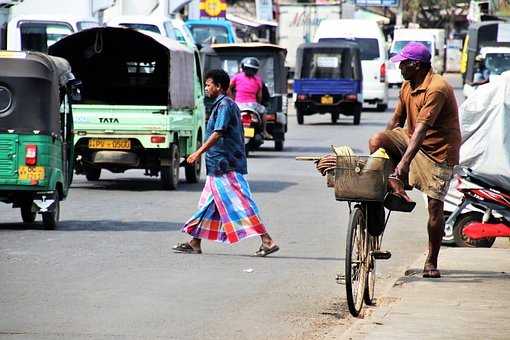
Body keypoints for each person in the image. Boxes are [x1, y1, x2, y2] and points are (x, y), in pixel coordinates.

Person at [318, 42, 461, 279]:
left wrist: (403, 165)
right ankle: (391, 191)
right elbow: (396, 120)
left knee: (435, 207)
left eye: (403, 63)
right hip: (411, 138)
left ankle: (431, 260)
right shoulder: (407, 85)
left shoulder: (437, 88)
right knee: (377, 140)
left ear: (416, 65)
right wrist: (381, 155)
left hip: (438, 151)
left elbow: (422, 130)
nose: (400, 67)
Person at [173, 69, 279, 257]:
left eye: (208, 84)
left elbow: (218, 132)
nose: (206, 88)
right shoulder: (221, 104)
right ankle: (195, 242)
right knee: (207, 204)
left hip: (226, 166)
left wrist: (198, 152)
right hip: (217, 165)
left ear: (219, 86)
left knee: (241, 204)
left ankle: (267, 241)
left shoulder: (225, 105)